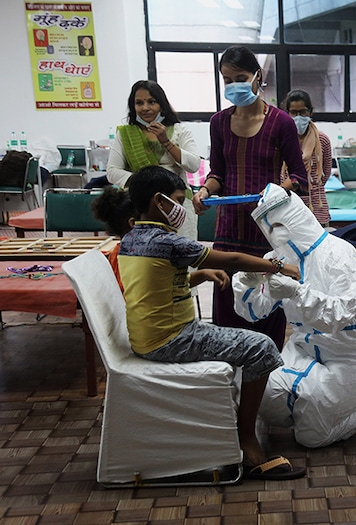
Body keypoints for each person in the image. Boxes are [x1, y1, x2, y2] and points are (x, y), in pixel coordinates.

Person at [117, 165, 306, 480]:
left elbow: (156, 286)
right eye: (178, 200)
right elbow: (231, 259)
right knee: (261, 347)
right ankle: (246, 439)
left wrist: (199, 275)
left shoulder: (131, 238)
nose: (181, 208)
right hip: (172, 340)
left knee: (242, 341)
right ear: (159, 201)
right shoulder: (168, 242)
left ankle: (236, 424)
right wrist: (277, 266)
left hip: (147, 337)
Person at [232, 184, 356, 447]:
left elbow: (338, 315)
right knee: (254, 387)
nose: (276, 235)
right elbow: (254, 312)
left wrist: (296, 293)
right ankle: (309, 406)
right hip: (301, 351)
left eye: (279, 225)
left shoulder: (339, 255)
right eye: (270, 229)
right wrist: (247, 285)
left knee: (312, 436)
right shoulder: (279, 260)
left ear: (296, 219)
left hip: (347, 357)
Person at [191, 46, 308, 349]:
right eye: (227, 80)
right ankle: (229, 372)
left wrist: (274, 193)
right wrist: (204, 191)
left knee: (267, 305)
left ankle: (266, 371)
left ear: (257, 76)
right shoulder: (219, 122)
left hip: (267, 232)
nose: (234, 86)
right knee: (227, 306)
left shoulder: (281, 122)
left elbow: (299, 177)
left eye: (240, 78)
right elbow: (218, 173)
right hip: (229, 231)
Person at [107, 80, 201, 240]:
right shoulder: (125, 135)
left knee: (183, 249)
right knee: (145, 249)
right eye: (139, 103)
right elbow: (112, 172)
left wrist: (166, 142)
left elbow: (193, 165)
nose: (145, 108)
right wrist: (146, 183)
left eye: (151, 102)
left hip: (177, 204)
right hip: (141, 205)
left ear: (162, 105)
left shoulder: (179, 130)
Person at [279, 89, 332, 226]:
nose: (298, 117)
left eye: (303, 112)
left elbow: (325, 174)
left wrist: (312, 187)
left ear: (310, 112)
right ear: (287, 113)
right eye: (293, 112)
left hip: (316, 209)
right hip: (288, 208)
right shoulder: (281, 140)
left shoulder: (322, 140)